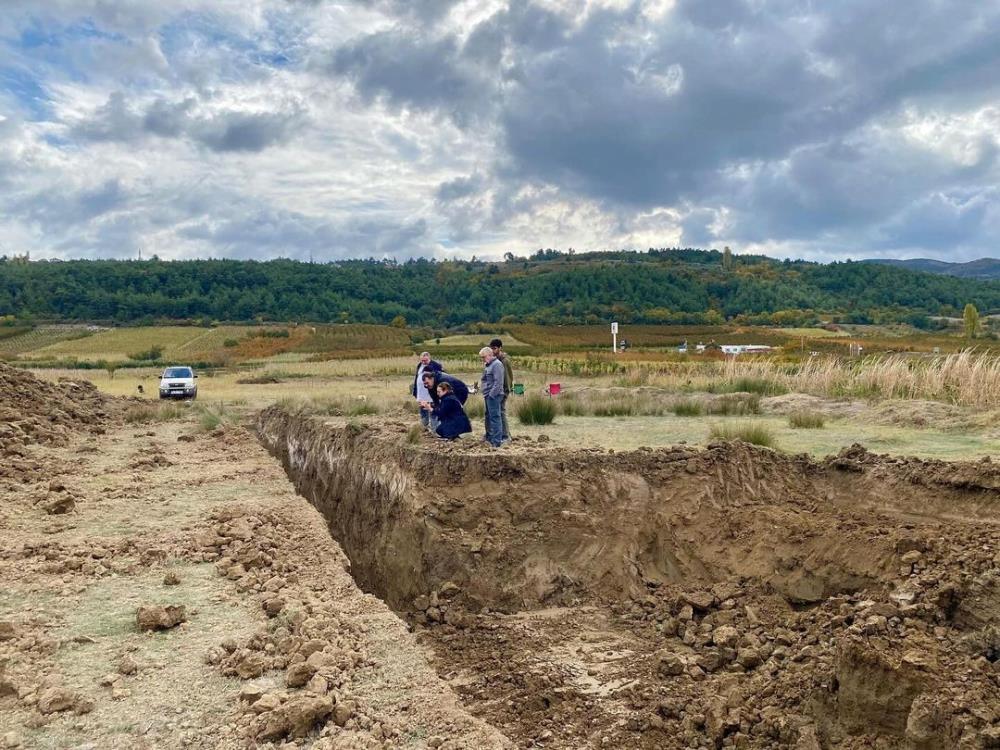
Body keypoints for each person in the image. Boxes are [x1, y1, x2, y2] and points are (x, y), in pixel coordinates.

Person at [479, 346, 504, 447]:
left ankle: (496, 441)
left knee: (495, 417)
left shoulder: (497, 365)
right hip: (487, 394)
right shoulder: (488, 365)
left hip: (494, 395)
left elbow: (498, 382)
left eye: (484, 357)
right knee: (488, 417)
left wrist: (491, 395)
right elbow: (485, 379)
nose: (483, 359)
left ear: (490, 355)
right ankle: (489, 437)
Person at [489, 338, 514, 443]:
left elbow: (507, 377)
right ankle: (500, 434)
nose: (493, 351)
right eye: (491, 349)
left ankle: (506, 435)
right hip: (497, 390)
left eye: (495, 348)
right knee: (498, 413)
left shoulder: (504, 361)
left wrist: (505, 391)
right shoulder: (495, 360)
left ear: (500, 348)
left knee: (501, 412)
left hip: (503, 390)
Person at [411, 352, 442, 429]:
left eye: (425, 360)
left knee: (433, 410)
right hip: (421, 393)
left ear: (429, 358)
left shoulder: (436, 365)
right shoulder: (419, 365)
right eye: (422, 360)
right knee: (423, 410)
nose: (424, 362)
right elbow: (416, 378)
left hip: (432, 393)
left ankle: (435, 428)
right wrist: (415, 391)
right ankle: (424, 426)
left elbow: (439, 378)